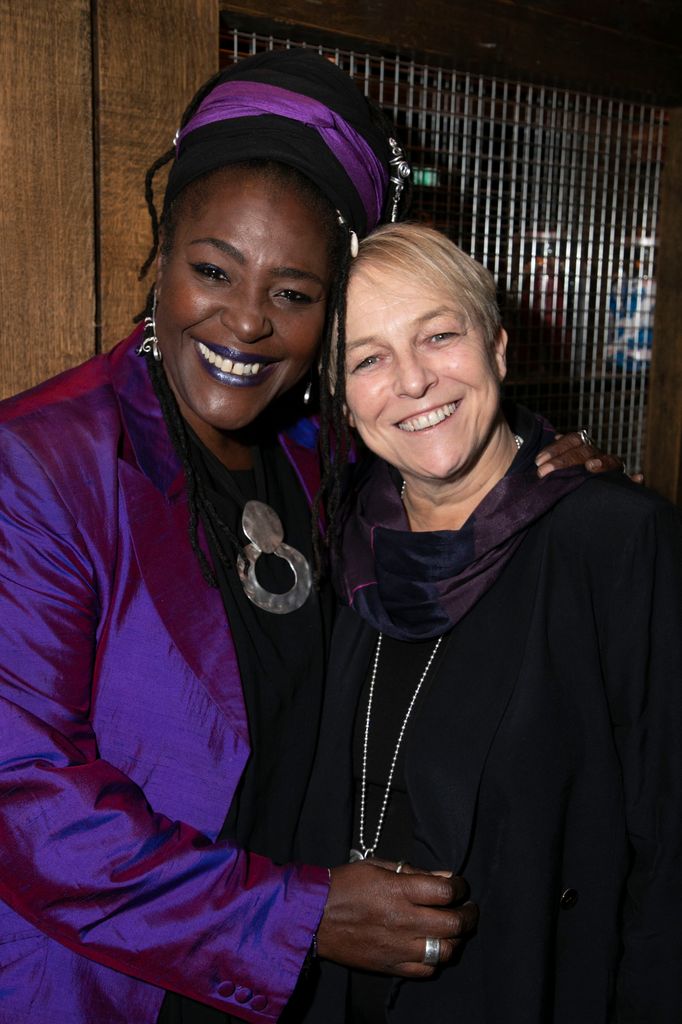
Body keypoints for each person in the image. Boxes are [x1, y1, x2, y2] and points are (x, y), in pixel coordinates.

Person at [0, 49, 614, 1024]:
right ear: (162, 252)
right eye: (213, 270)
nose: (243, 323)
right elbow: (25, 800)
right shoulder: (40, 467)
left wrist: (540, 478)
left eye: (293, 293)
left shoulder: (312, 460)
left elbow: (444, 510)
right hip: (102, 988)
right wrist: (298, 915)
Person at [297, 223, 682, 1023]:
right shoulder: (333, 547)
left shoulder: (615, 540)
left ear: (499, 348)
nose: (412, 381)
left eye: (439, 335)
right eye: (368, 358)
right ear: (340, 395)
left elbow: (672, 850)